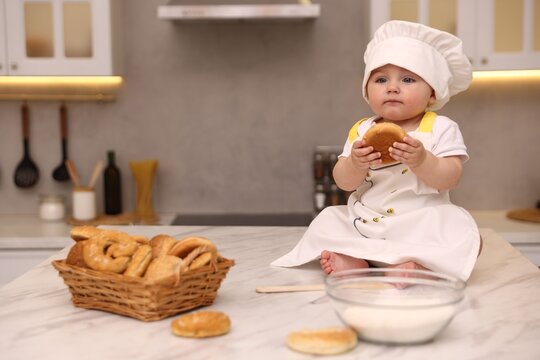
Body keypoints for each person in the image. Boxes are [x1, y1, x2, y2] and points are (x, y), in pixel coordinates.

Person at [271, 20, 481, 281]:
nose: (392, 87)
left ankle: (411, 265)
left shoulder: (440, 127)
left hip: (420, 221)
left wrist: (423, 160)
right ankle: (355, 260)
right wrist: (355, 165)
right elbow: (344, 182)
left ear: (432, 94)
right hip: (369, 219)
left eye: (408, 79)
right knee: (329, 220)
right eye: (381, 79)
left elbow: (451, 176)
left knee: (464, 233)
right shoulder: (362, 130)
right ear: (367, 92)